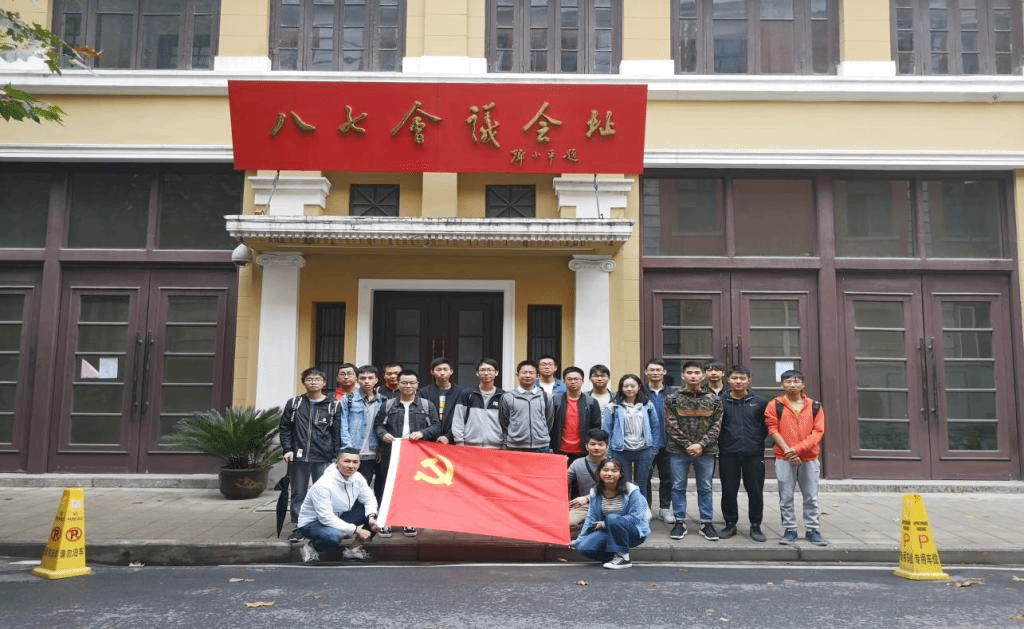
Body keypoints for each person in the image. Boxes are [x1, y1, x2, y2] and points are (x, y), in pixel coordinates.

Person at [373, 369, 442, 538]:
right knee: (388, 485)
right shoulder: (388, 405)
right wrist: (383, 434)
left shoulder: (427, 405)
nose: (408, 386)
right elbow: (378, 426)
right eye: (404, 382)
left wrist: (423, 433)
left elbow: (436, 426)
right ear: (398, 384)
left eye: (412, 383)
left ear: (418, 385)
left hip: (416, 452)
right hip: (392, 451)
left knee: (411, 486)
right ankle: (386, 521)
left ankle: (408, 520)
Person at [279, 367, 344, 541]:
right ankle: (301, 527)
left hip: (324, 456)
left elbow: (337, 433)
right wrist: (287, 449)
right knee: (298, 494)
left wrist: (337, 456)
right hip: (298, 457)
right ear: (303, 383)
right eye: (309, 379)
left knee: (324, 493)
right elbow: (285, 428)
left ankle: (326, 524)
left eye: (317, 379)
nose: (313, 382)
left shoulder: (333, 405)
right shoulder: (294, 404)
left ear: (324, 383)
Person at [765, 369, 827, 546]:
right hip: (784, 458)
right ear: (782, 385)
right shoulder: (775, 405)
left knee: (811, 497)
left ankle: (813, 529)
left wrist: (797, 450)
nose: (792, 385)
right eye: (788, 382)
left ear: (803, 384)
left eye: (796, 381)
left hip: (809, 458)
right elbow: (772, 429)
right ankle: (790, 529)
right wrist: (788, 451)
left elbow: (818, 432)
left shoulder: (815, 406)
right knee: (785, 496)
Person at [664, 360, 723, 542]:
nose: (693, 376)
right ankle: (679, 521)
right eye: (689, 373)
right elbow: (671, 425)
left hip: (706, 451)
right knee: (678, 486)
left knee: (705, 487)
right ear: (683, 375)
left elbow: (717, 426)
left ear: (703, 376)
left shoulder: (714, 399)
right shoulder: (673, 399)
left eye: (697, 373)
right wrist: (688, 444)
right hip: (678, 450)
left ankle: (706, 523)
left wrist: (701, 445)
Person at [295, 449, 379, 564]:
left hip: (338, 516)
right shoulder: (323, 485)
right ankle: (311, 548)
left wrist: (371, 518)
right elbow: (326, 518)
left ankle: (353, 550)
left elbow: (369, 499)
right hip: (312, 523)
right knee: (334, 537)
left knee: (377, 515)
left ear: (359, 464)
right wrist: (355, 529)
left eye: (355, 462)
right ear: (337, 462)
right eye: (347, 461)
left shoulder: (357, 477)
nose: (351, 466)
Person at [717, 365, 769, 542]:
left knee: (755, 490)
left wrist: (756, 441)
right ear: (728, 380)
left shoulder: (760, 402)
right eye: (734, 378)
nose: (738, 381)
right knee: (728, 490)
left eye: (742, 378)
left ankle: (756, 526)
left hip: (753, 454)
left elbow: (766, 427)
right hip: (728, 453)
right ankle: (730, 524)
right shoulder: (720, 401)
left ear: (749, 381)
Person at [570, 458, 651, 570]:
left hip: (634, 532)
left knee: (612, 518)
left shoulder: (632, 491)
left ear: (620, 474)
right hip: (609, 530)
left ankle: (623, 558)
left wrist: (605, 524)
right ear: (599, 473)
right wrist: (579, 540)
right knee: (583, 547)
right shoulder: (595, 492)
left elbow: (637, 518)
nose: (609, 474)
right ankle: (613, 557)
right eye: (605, 470)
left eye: (614, 471)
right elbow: (590, 518)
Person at [603, 374, 661, 503]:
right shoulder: (613, 406)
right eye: (626, 386)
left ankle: (641, 510)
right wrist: (609, 452)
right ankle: (627, 510)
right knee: (625, 484)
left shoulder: (647, 405)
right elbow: (606, 431)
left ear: (639, 387)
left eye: (632, 386)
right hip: (621, 450)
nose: (629, 389)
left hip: (644, 450)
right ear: (621, 388)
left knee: (642, 483)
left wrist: (654, 449)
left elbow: (655, 427)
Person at [343, 365, 384, 503]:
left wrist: (379, 449)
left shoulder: (383, 401)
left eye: (370, 378)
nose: (367, 381)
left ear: (376, 380)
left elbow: (383, 427)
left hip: (371, 453)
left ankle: (364, 513)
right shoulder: (348, 399)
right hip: (353, 451)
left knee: (365, 488)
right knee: (348, 487)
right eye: (363, 378)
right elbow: (343, 426)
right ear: (357, 380)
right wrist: (348, 449)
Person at [644, 358, 675, 523]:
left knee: (667, 477)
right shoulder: (640, 392)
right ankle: (645, 508)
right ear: (646, 372)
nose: (655, 373)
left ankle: (664, 508)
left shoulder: (673, 393)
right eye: (652, 370)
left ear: (664, 372)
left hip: (668, 443)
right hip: (646, 444)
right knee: (644, 477)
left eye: (658, 370)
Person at [498, 360, 554, 452]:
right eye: (524, 372)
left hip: (541, 446)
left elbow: (549, 420)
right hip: (515, 446)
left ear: (537, 376)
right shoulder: (508, 396)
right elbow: (504, 421)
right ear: (517, 375)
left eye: (531, 373)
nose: (527, 376)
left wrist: (541, 434)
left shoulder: (546, 396)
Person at [550, 366, 602, 462]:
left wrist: (592, 446)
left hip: (583, 451)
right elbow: (550, 425)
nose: (573, 382)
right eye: (569, 379)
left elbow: (596, 427)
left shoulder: (591, 402)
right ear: (564, 381)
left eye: (576, 379)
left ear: (582, 381)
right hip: (559, 450)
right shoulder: (555, 401)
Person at [451, 358, 504, 448]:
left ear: (496, 373)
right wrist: (459, 442)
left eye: (489, 370)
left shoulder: (503, 396)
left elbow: (507, 423)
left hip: (496, 447)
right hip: (470, 446)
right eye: (482, 370)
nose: (486, 373)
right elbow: (458, 420)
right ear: (477, 373)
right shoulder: (467, 394)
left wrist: (505, 444)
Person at [568, 428, 610, 529]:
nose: (596, 448)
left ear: (607, 446)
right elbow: (562, 481)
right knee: (568, 522)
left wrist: (587, 498)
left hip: (609, 504)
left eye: (600, 445)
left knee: (615, 521)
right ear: (586, 446)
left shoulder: (613, 464)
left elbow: (613, 490)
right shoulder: (577, 464)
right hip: (584, 506)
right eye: (592, 444)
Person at [418, 356, 464, 445]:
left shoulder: (461, 392)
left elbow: (463, 418)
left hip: (453, 440)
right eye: (438, 370)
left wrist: (448, 436)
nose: (442, 373)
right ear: (432, 372)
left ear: (451, 371)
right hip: (429, 440)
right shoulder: (424, 392)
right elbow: (421, 418)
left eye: (445, 369)